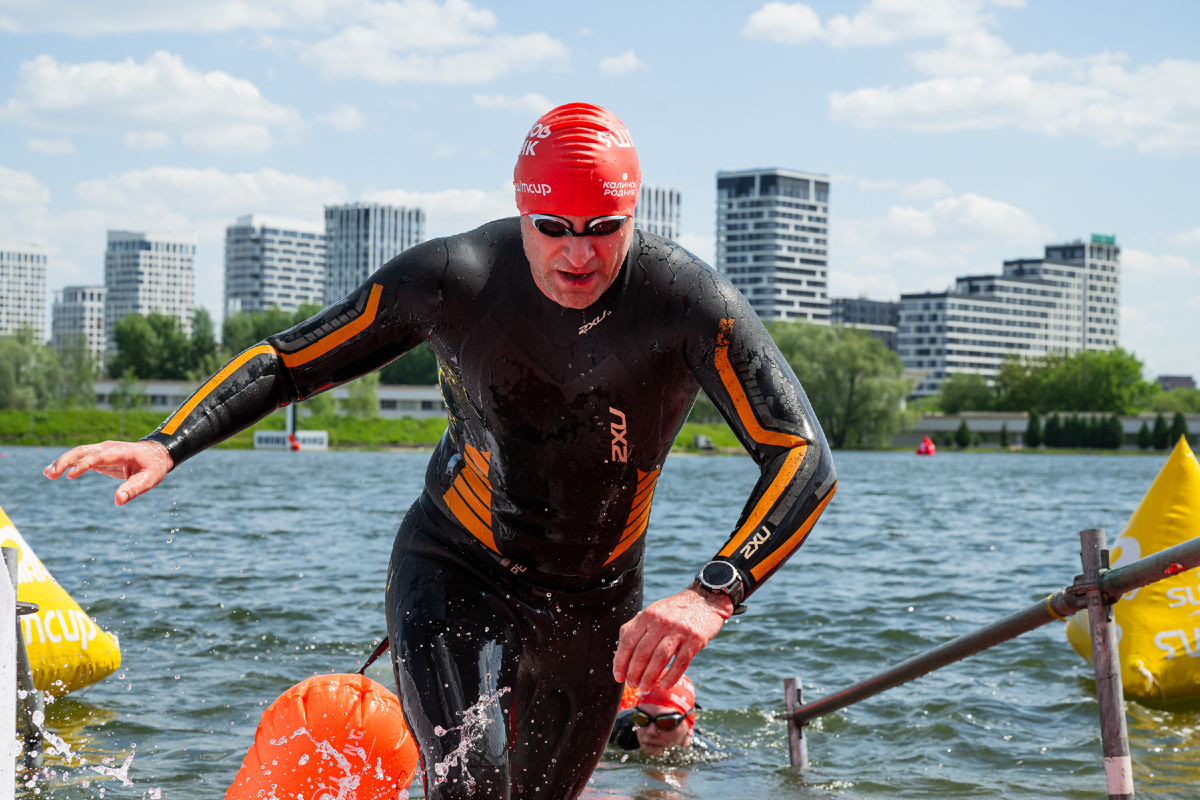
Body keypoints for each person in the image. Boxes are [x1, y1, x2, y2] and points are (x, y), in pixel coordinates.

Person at [43, 102, 836, 799]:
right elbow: (290, 361)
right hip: (458, 569)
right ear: (522, 211)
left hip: (595, 604)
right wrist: (167, 442)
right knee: (471, 786)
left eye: (604, 229)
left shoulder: (688, 304)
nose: (578, 256)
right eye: (553, 229)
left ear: (633, 213)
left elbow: (802, 455)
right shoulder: (454, 278)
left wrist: (712, 593)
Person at [609, 675, 716, 756]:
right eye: (642, 718)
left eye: (666, 722)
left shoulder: (706, 755)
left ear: (690, 723)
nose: (651, 732)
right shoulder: (618, 728)